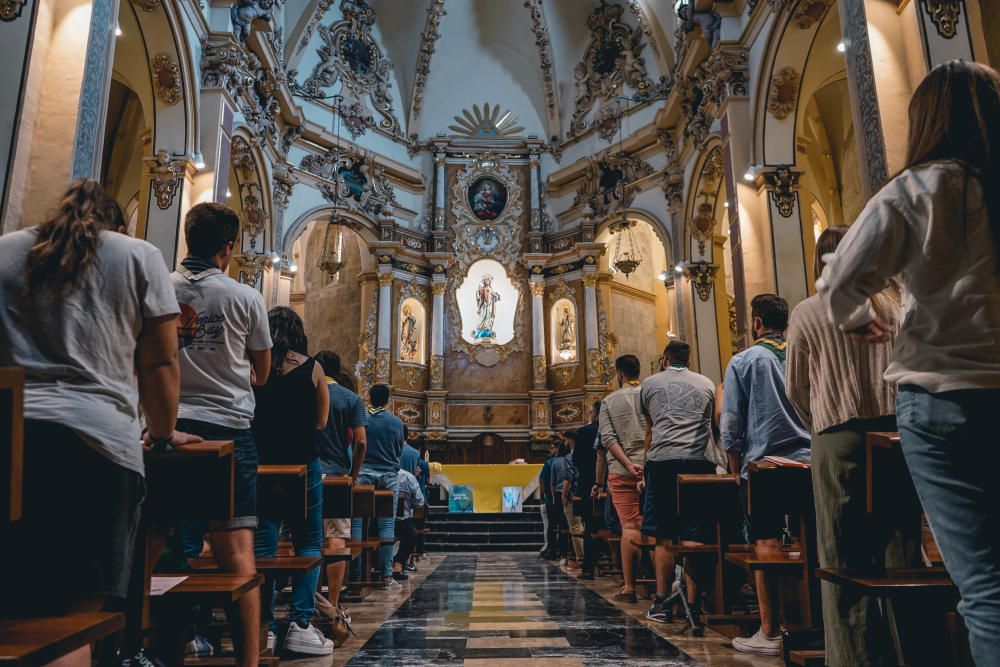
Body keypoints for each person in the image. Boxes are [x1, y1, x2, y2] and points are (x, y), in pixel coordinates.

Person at [817, 60, 1000, 667]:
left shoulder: (921, 187)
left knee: (985, 585)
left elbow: (841, 277)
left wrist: (855, 317)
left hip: (944, 397)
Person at [0, 181, 196, 666]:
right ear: (120, 226)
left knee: (13, 613)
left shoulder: (5, 251)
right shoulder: (137, 255)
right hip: (96, 447)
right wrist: (163, 430)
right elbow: (159, 362)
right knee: (70, 626)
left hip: (10, 443)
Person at [787, 227, 921, 666]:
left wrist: (824, 421)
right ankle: (914, 654)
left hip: (836, 435)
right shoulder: (891, 305)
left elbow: (796, 387)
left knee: (841, 555)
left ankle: (854, 658)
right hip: (894, 433)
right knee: (901, 547)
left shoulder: (807, 312)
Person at [172, 202, 272, 666]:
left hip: (168, 430)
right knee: (237, 555)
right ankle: (248, 662)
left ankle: (158, 649)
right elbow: (263, 372)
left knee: (164, 547)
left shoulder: (160, 290)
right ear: (228, 248)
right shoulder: (245, 296)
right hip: (229, 432)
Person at [721, 294, 811, 657]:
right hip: (809, 460)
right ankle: (808, 625)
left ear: (756, 321)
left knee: (767, 542)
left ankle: (771, 630)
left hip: (765, 466)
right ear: (786, 323)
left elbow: (730, 424)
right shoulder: (802, 352)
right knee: (812, 542)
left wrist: (734, 469)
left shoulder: (744, 360)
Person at [250, 308, 333, 655]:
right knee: (310, 540)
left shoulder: (254, 367)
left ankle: (263, 628)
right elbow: (321, 420)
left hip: (260, 464)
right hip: (303, 463)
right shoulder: (313, 368)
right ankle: (300, 624)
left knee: (263, 545)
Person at [639, 340, 716, 625]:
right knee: (695, 535)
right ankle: (694, 605)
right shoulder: (707, 383)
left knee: (664, 535)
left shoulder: (650, 384)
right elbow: (711, 424)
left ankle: (661, 602)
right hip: (699, 463)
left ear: (664, 360)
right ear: (689, 359)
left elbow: (651, 426)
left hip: (662, 462)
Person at [313, 350, 366, 627]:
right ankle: (332, 604)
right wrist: (353, 474)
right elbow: (360, 441)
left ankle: (308, 600)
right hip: (336, 475)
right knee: (337, 538)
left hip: (307, 474)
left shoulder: (307, 393)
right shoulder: (351, 399)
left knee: (306, 538)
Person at [599, 354, 647, 603]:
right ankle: (659, 585)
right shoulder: (650, 393)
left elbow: (608, 439)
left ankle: (630, 586)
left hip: (622, 470)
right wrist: (645, 465)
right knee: (659, 527)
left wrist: (629, 465)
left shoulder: (609, 401)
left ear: (619, 374)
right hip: (651, 468)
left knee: (630, 526)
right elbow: (656, 429)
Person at [351, 383, 406, 589]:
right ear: (388, 400)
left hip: (364, 472)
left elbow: (357, 444)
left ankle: (354, 575)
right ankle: (386, 576)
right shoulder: (396, 422)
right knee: (387, 524)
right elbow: (399, 448)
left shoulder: (362, 419)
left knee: (357, 523)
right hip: (388, 475)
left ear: (369, 398)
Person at [572, 401, 600, 580]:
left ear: (595, 412)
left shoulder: (585, 432)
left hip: (589, 483)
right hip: (609, 481)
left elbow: (577, 459)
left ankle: (588, 568)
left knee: (590, 527)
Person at [392, 468, 425, 581]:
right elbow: (419, 502)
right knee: (411, 535)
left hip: (373, 523)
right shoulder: (407, 477)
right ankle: (398, 565)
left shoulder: (367, 472)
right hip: (400, 522)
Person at [549, 439, 575, 565]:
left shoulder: (555, 462)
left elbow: (552, 483)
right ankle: (575, 555)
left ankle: (564, 555)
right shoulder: (572, 459)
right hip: (573, 494)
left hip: (560, 494)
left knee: (563, 527)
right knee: (575, 525)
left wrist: (555, 497)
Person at [537, 441, 559, 559]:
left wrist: (542, 495)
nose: (550, 450)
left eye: (552, 447)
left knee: (549, 524)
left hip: (550, 498)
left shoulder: (550, 462)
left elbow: (542, 481)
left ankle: (549, 547)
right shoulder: (567, 460)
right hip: (562, 497)